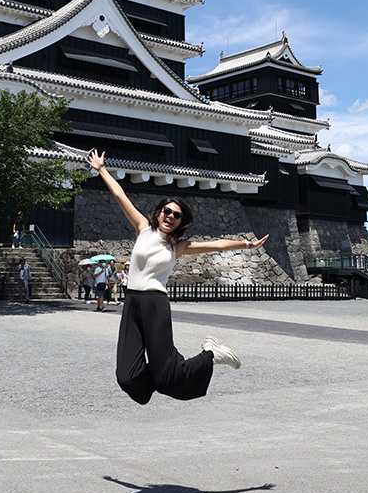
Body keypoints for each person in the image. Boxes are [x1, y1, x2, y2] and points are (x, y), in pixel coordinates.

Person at [88, 149, 266, 404]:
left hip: (155, 305)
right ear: (158, 213)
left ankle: (209, 355)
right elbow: (120, 195)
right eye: (166, 211)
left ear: (181, 222)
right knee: (126, 378)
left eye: (176, 214)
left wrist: (247, 244)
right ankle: (166, 374)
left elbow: (216, 244)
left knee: (164, 378)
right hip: (132, 304)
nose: (170, 216)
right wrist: (102, 169)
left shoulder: (177, 246)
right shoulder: (142, 228)